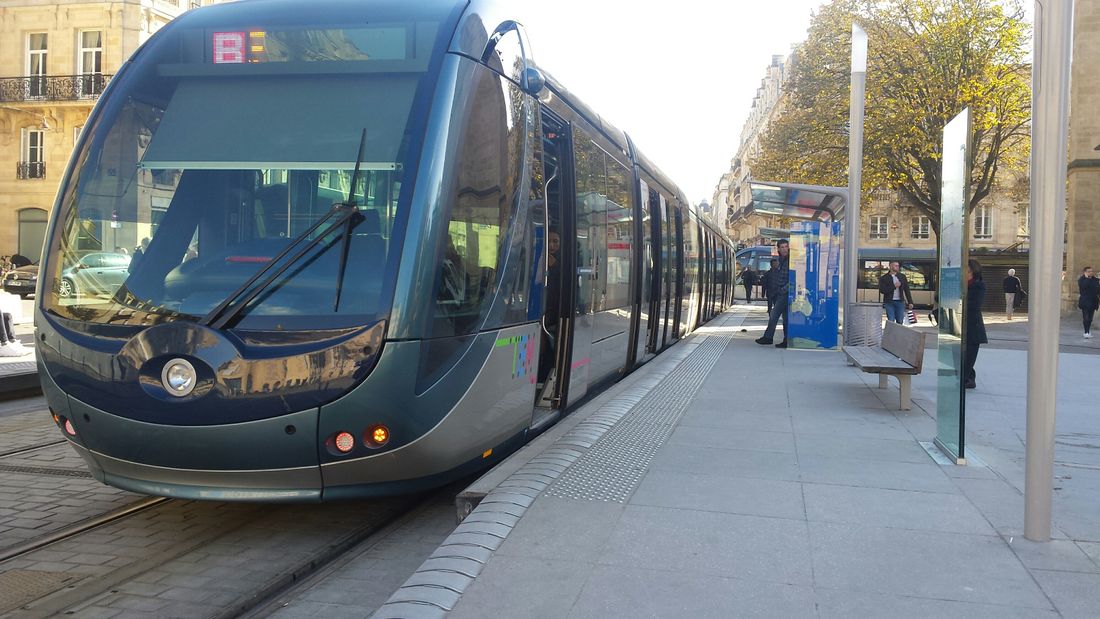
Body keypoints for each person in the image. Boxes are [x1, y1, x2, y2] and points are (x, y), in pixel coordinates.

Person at [756, 240, 790, 348]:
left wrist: (783, 289)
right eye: (782, 247)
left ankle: (768, 337)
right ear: (778, 249)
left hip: (785, 293)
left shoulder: (790, 260)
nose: (785, 249)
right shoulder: (781, 260)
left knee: (774, 315)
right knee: (785, 317)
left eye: (786, 247)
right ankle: (786, 339)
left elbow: (793, 278)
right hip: (781, 292)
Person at [964, 259, 988, 389]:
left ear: (973, 272)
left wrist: (958, 302)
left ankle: (967, 378)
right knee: (961, 356)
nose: (964, 274)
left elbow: (975, 305)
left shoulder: (979, 285)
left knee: (969, 357)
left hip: (973, 328)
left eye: (967, 271)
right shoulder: (960, 285)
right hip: (959, 327)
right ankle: (968, 378)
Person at [1077, 266, 1100, 339]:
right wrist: (1087, 278)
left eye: (1092, 271)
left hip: (1093, 301)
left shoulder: (1095, 280)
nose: (1091, 272)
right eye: (1089, 271)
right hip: (1085, 301)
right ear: (1085, 272)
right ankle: (1086, 332)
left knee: (1090, 318)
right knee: (1086, 317)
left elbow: (1098, 290)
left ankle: (1088, 331)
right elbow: (1083, 286)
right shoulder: (1082, 280)